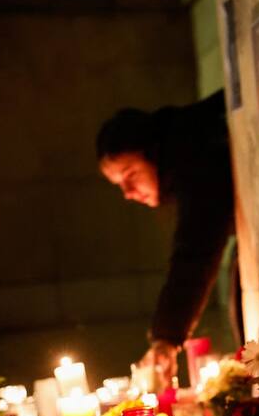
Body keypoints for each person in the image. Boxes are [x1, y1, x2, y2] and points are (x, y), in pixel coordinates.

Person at [96, 90, 239, 385]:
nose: (128, 193)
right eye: (119, 184)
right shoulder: (188, 141)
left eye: (130, 174)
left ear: (153, 152)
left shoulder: (194, 153)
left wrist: (166, 336)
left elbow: (196, 249)